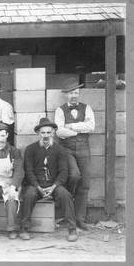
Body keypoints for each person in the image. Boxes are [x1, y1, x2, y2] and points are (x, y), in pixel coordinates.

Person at [19, 118, 78, 242]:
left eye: (48, 132)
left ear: (53, 133)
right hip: (36, 185)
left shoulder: (60, 150)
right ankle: (24, 228)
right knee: (29, 195)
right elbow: (28, 171)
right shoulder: (31, 149)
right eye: (43, 133)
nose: (46, 136)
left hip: (53, 185)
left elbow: (63, 172)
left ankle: (72, 228)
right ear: (38, 134)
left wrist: (54, 187)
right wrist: (38, 187)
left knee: (65, 195)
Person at [55, 78, 95, 231]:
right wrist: (80, 128)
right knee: (74, 176)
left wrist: (71, 126)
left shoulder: (87, 108)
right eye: (71, 93)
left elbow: (90, 127)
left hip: (84, 148)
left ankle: (79, 219)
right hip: (67, 149)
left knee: (84, 184)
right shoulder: (60, 110)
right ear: (66, 94)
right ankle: (68, 202)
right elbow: (59, 131)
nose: (74, 95)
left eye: (76, 92)